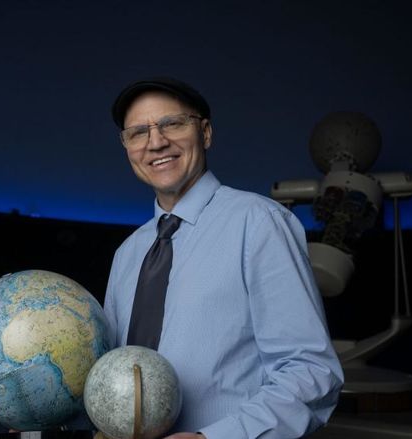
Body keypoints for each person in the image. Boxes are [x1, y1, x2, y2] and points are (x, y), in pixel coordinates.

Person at [103, 77, 343, 439]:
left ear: (206, 133)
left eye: (172, 124)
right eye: (138, 132)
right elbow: (111, 379)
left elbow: (310, 372)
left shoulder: (259, 223)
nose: (156, 142)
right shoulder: (128, 254)